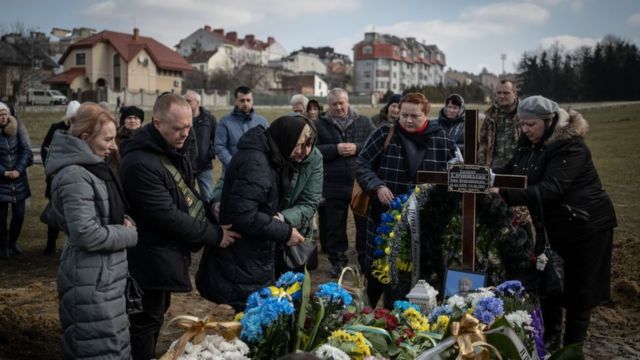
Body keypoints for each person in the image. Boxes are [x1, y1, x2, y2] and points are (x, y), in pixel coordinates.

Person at [491, 95, 616, 354]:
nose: (525, 130)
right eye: (522, 124)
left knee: (579, 290)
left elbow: (552, 189)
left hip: (585, 227)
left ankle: (572, 348)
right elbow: (511, 170)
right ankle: (550, 342)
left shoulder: (571, 147)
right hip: (551, 229)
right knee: (548, 284)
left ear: (549, 122)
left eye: (531, 124)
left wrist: (503, 193)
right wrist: (483, 176)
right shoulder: (528, 144)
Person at [119, 93, 240, 359]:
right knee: (145, 319)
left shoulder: (172, 148)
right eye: (178, 128)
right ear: (157, 123)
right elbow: (167, 215)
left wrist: (209, 209)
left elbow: (183, 193)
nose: (185, 133)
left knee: (155, 312)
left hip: (163, 251)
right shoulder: (139, 163)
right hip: (148, 253)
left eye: (188, 126)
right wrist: (214, 234)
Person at [44, 102, 138, 359]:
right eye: (108, 139)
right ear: (86, 138)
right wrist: (128, 233)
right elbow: (86, 233)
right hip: (90, 280)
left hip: (104, 275)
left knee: (112, 347)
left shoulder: (94, 168)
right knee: (97, 350)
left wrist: (123, 220)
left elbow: (103, 213)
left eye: (115, 138)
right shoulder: (75, 175)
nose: (114, 146)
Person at [356, 92, 455, 307]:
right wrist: (377, 186)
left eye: (415, 116)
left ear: (427, 115)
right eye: (404, 115)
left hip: (426, 220)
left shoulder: (442, 138)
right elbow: (362, 164)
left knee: (422, 268)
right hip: (386, 217)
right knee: (379, 269)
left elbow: (455, 174)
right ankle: (372, 310)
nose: (408, 120)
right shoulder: (385, 133)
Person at [197, 115, 306, 311]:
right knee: (246, 313)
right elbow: (245, 215)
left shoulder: (269, 156)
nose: (302, 151)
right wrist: (285, 232)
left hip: (251, 253)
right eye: (299, 145)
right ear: (286, 138)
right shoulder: (257, 163)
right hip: (241, 257)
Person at [316, 88, 375, 278]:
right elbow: (313, 150)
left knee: (364, 225)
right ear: (328, 106)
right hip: (333, 183)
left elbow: (376, 145)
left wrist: (357, 148)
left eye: (341, 103)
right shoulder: (318, 124)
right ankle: (338, 262)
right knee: (335, 227)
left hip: (360, 183)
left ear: (347, 102)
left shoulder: (364, 122)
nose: (338, 107)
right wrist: (335, 149)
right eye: (334, 104)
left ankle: (365, 260)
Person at [211, 86, 268, 204]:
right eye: (242, 100)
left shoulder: (262, 122)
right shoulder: (225, 122)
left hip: (257, 174)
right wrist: (235, 164)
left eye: (248, 100)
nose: (246, 104)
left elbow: (269, 145)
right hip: (233, 175)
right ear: (236, 101)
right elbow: (220, 147)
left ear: (252, 100)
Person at [40, 100, 80, 255]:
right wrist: (52, 169)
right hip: (56, 176)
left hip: (75, 176)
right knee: (54, 211)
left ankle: (72, 245)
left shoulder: (83, 129)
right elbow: (46, 151)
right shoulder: (56, 129)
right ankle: (50, 243)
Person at [0, 102, 32, 259]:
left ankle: (13, 241)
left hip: (18, 179)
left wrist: (18, 170)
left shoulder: (17, 128)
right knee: (1, 217)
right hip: (1, 180)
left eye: (5, 113)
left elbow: (25, 150)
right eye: (0, 114)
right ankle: (3, 245)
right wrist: (3, 172)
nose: (3, 117)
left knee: (19, 214)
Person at [478, 80, 520, 168]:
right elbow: (483, 143)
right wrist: (482, 167)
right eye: (498, 93)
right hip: (494, 170)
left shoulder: (524, 114)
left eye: (506, 93)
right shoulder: (490, 115)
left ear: (515, 94)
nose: (501, 96)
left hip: (518, 169)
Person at [184, 90, 217, 202]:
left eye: (188, 100)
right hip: (187, 165)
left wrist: (210, 153)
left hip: (205, 165)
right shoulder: (182, 119)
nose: (185, 102)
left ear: (197, 102)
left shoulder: (209, 118)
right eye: (184, 100)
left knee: (207, 196)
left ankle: (210, 218)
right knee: (187, 197)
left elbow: (217, 139)